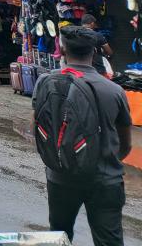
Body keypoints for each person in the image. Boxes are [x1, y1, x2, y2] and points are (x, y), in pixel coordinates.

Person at [36, 26, 132, 246]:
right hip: (105, 179)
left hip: (60, 176)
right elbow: (125, 143)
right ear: (95, 52)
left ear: (62, 49)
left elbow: (41, 125)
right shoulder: (114, 90)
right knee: (109, 241)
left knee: (59, 237)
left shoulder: (46, 82)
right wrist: (108, 161)